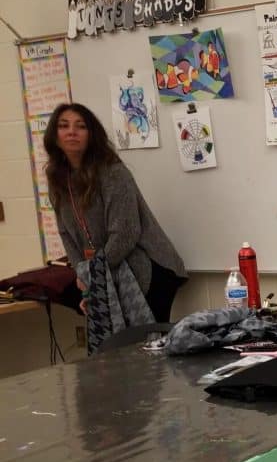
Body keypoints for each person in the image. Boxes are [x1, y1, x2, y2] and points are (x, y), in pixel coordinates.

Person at [44, 103, 186, 325]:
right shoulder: (59, 180)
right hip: (108, 271)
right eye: (64, 126)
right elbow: (68, 237)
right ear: (54, 135)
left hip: (149, 267)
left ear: (92, 135)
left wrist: (92, 275)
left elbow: (125, 235)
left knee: (146, 349)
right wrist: (86, 279)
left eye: (80, 126)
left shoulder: (112, 172)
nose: (71, 131)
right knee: (115, 352)